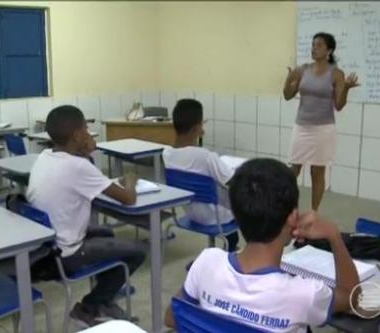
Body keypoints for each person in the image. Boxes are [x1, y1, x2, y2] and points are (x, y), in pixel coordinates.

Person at [164, 158, 360, 333]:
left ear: (236, 212)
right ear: (292, 217)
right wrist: (334, 235)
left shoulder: (207, 261)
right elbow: (354, 297)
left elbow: (172, 318)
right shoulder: (304, 294)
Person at [27, 105, 146, 326]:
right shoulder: (78, 166)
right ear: (77, 134)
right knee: (138, 251)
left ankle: (104, 298)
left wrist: (87, 151)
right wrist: (130, 181)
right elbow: (129, 198)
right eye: (86, 129)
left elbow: (84, 179)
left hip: (45, 247)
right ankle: (88, 308)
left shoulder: (45, 156)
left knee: (106, 231)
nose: (90, 133)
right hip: (65, 254)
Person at [283, 32, 360, 211]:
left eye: (319, 45)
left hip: (323, 129)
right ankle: (289, 209)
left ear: (329, 50)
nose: (314, 48)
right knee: (293, 170)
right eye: (313, 45)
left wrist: (346, 88)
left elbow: (339, 105)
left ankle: (314, 213)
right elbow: (287, 95)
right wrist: (288, 80)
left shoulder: (337, 74)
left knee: (317, 172)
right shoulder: (303, 70)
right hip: (301, 126)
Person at [162, 98, 239, 251]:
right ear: (197, 129)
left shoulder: (167, 154)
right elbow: (233, 181)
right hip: (215, 218)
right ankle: (231, 251)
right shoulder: (205, 157)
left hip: (190, 213)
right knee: (245, 201)